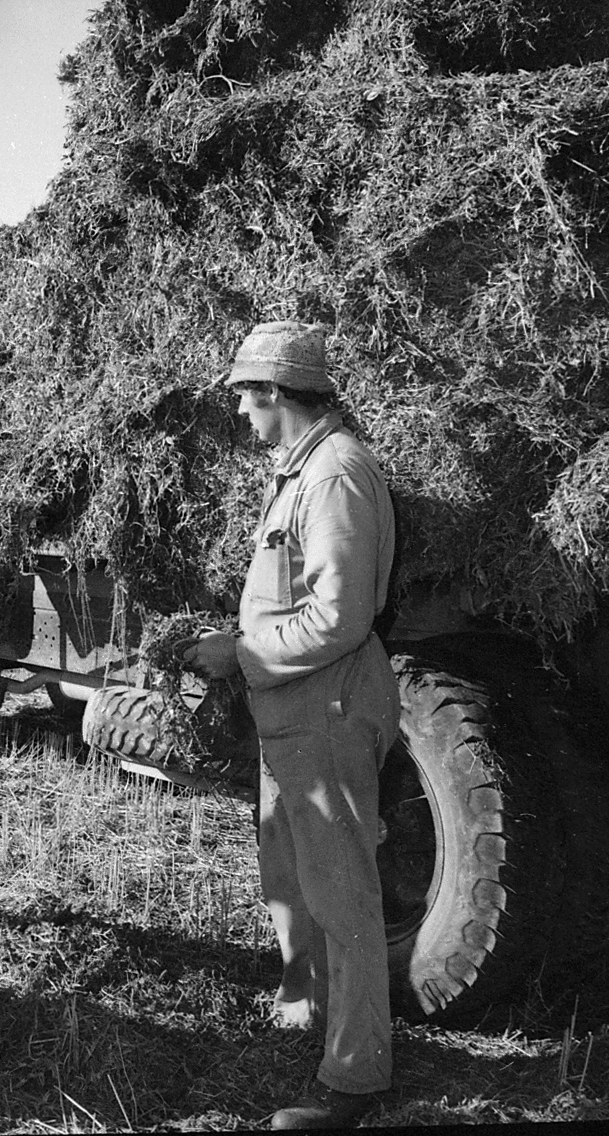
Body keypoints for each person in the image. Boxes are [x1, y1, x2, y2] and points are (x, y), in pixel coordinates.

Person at [183, 321, 400, 1130]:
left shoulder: (335, 473)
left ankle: (355, 1083)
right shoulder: (301, 470)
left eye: (246, 396)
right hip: (294, 709)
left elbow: (341, 618)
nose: (241, 411)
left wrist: (239, 653)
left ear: (277, 392)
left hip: (327, 707)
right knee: (295, 880)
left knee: (342, 898)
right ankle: (310, 1019)